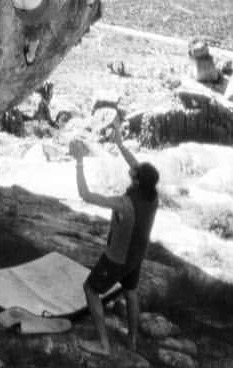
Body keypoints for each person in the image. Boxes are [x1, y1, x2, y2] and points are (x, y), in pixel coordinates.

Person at [70, 121, 160, 357]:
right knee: (130, 292)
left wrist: (79, 160)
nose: (133, 168)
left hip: (117, 259)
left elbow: (85, 195)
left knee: (91, 289)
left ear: (137, 181)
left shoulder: (124, 204)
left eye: (135, 172)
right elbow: (135, 165)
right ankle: (132, 340)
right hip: (136, 257)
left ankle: (103, 345)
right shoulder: (153, 196)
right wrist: (119, 143)